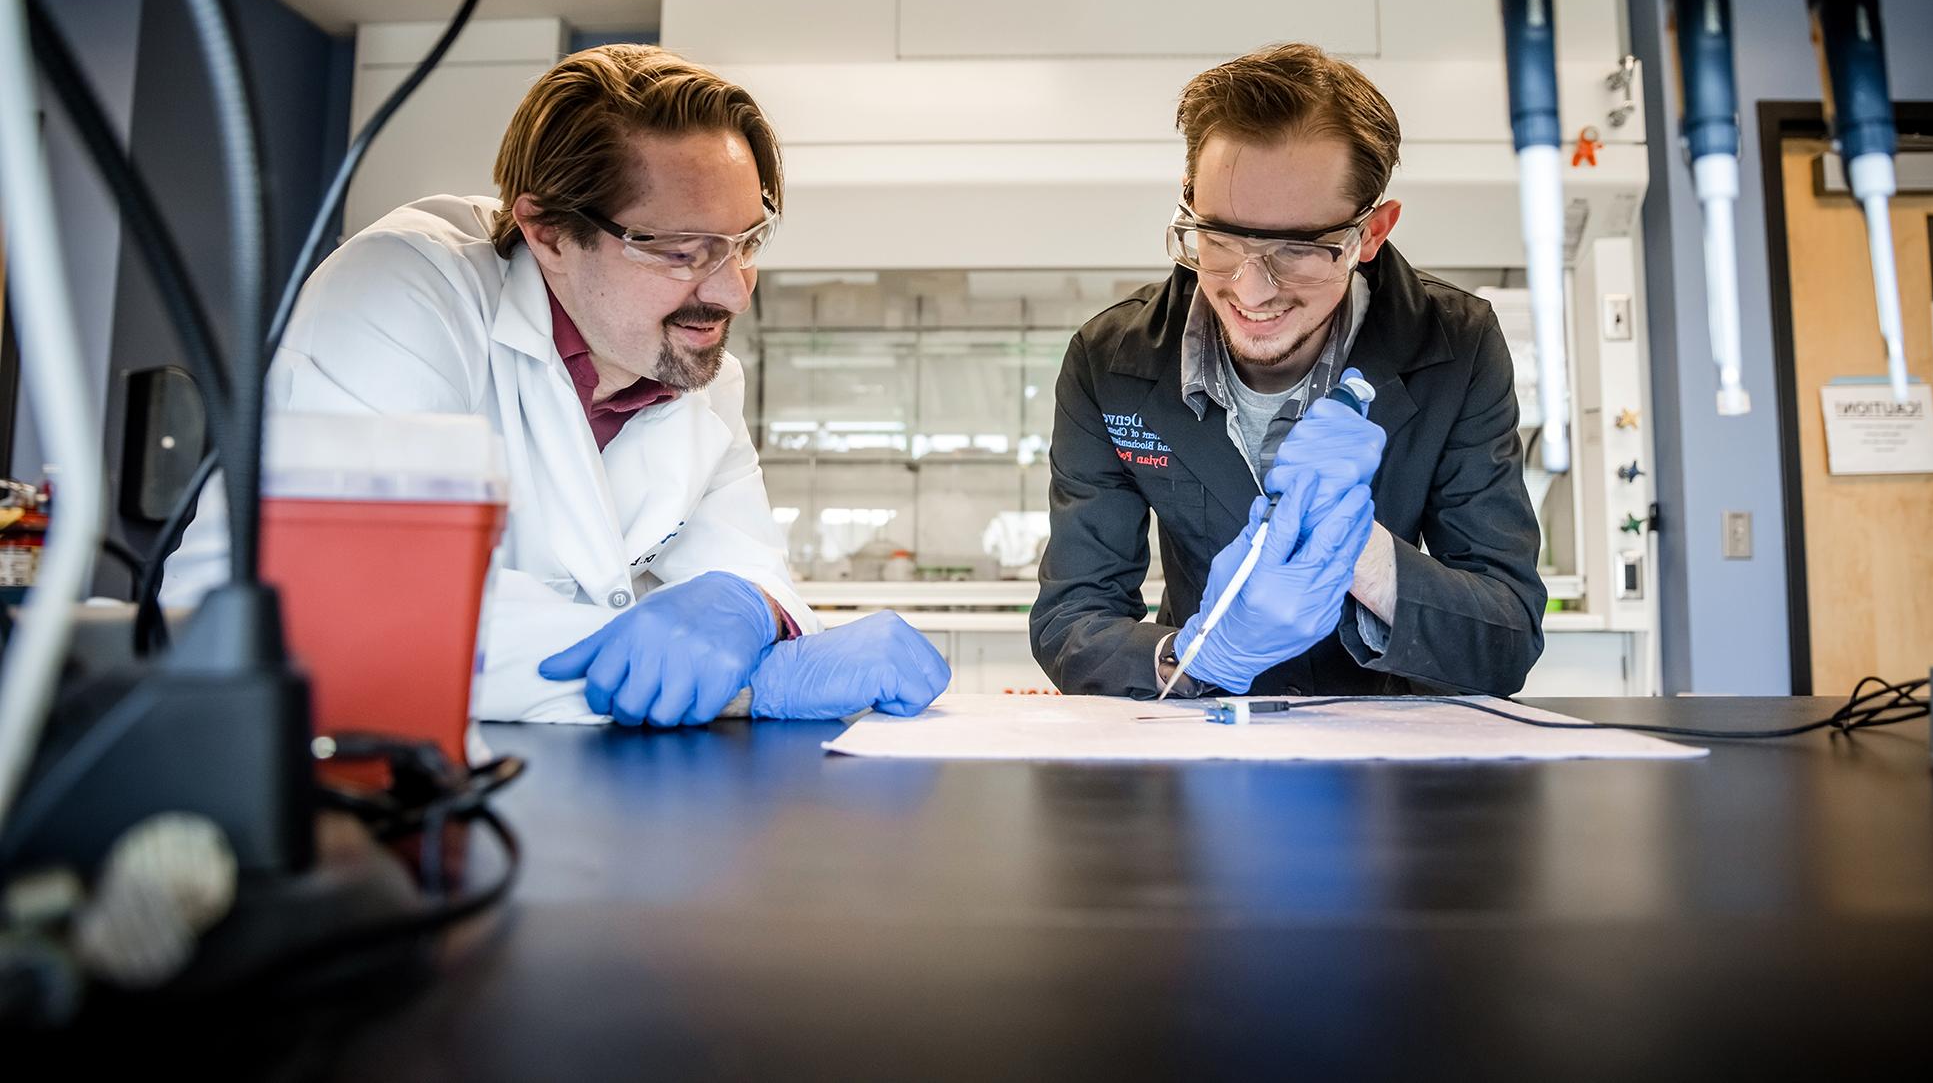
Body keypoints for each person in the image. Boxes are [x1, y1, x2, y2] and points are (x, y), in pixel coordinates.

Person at [166, 45, 949, 725]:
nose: (733, 290)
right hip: (303, 756)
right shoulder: (404, 291)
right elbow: (357, 610)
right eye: (682, 250)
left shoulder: (698, 374)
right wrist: (757, 682)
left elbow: (749, 575)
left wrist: (751, 610)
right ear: (547, 232)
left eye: (746, 242)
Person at [1031, 43, 1545, 698]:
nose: (1250, 291)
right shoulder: (1112, 361)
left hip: (1389, 765)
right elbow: (1070, 620)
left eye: (1297, 249)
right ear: (1189, 202)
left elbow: (1507, 636)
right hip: (1203, 743)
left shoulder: (1455, 345)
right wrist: (1194, 658)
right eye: (1219, 239)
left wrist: (1363, 556)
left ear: (1371, 232)